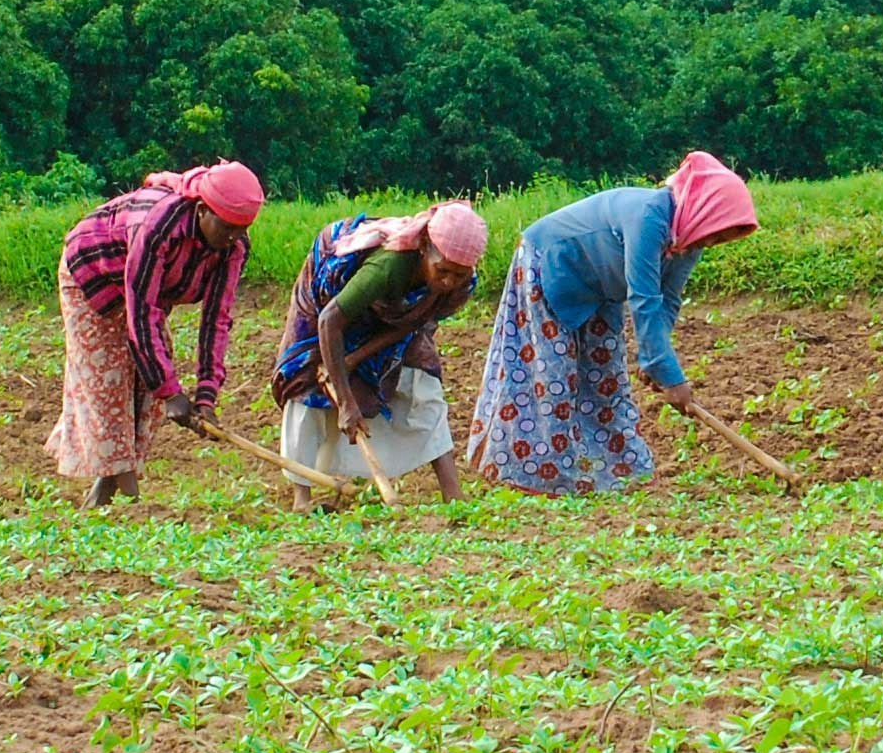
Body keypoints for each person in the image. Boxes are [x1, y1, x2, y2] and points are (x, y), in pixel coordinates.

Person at [469, 151, 758, 495]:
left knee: (606, 378)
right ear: (705, 209)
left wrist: (654, 362)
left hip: (600, 288)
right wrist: (670, 375)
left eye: (720, 239)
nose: (712, 243)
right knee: (553, 375)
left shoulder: (688, 238)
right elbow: (644, 298)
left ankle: (618, 471)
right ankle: (534, 474)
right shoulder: (650, 217)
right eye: (717, 234)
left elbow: (668, 302)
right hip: (549, 266)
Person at [46, 160, 264, 507]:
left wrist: (205, 396)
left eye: (241, 230)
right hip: (93, 274)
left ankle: (106, 489)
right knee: (110, 377)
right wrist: (172, 394)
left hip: (146, 293)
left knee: (149, 380)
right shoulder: (159, 226)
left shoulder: (233, 247)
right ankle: (131, 500)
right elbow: (142, 316)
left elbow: (216, 320)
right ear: (202, 210)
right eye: (226, 228)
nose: (233, 237)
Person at [270, 201, 491, 507]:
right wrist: (347, 403)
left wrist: (354, 358)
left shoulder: (460, 285)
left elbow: (412, 323)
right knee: (307, 382)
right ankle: (301, 497)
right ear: (424, 247)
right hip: (329, 304)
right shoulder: (388, 266)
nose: (448, 282)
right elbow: (329, 320)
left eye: (458, 274)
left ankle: (452, 492)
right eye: (443, 270)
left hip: (393, 313)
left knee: (423, 383)